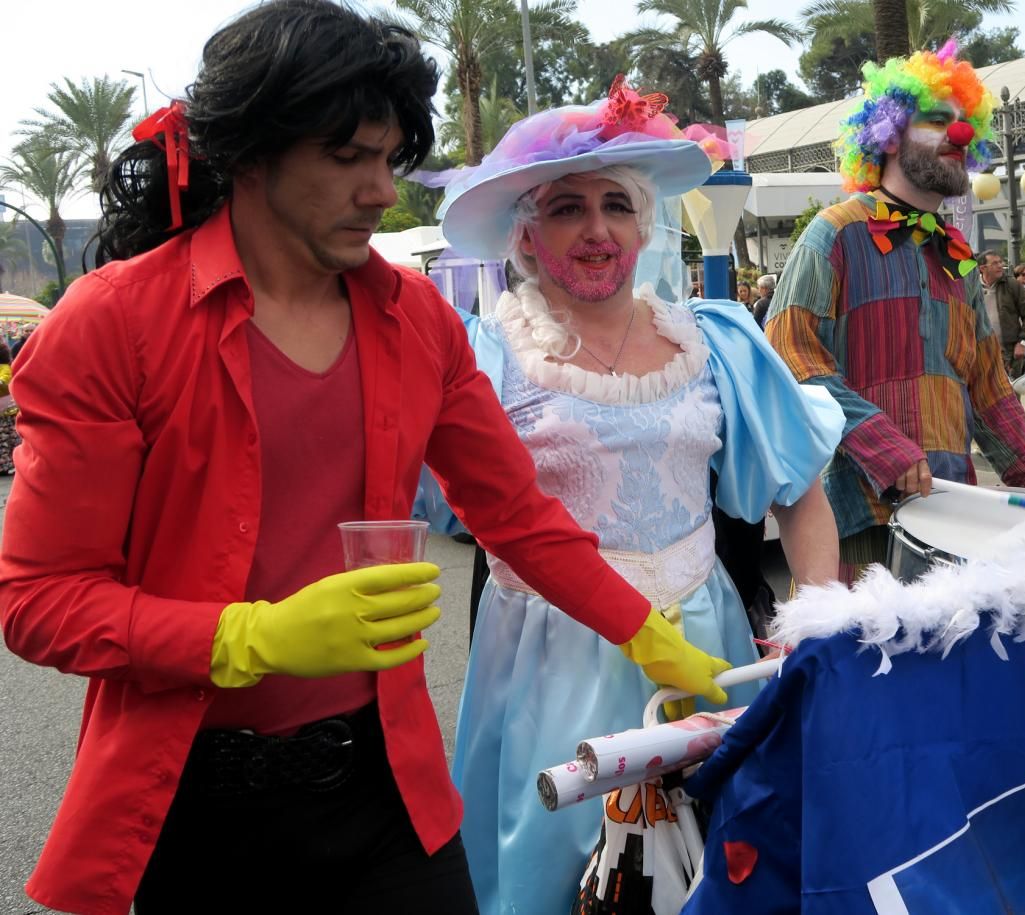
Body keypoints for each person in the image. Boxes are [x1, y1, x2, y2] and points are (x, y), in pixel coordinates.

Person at [0, 6, 730, 915]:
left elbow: (518, 514)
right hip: (193, 805)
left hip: (387, 791)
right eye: (350, 158)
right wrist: (247, 638)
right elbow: (38, 601)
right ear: (254, 155)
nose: (384, 191)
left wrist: (650, 634)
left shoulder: (417, 320)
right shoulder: (112, 324)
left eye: (390, 159)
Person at [428, 77, 845, 914]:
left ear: (644, 222)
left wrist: (817, 622)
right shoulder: (485, 355)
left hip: (708, 649)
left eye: (616, 205)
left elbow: (799, 489)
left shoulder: (716, 337)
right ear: (527, 234)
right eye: (566, 208)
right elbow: (437, 503)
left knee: (724, 864)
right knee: (561, 881)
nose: (596, 228)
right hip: (548, 664)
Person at [765, 39, 1025, 583]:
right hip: (851, 517)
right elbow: (787, 350)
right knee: (855, 665)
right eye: (937, 120)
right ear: (888, 135)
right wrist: (879, 441)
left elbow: (988, 385)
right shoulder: (835, 233)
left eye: (964, 124)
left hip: (947, 519)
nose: (958, 135)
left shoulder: (957, 258)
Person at [978, 250, 1025, 377]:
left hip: (1010, 352)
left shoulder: (1012, 285)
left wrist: (1022, 343)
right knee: (985, 395)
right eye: (994, 263)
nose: (1000, 266)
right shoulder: (972, 287)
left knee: (1012, 394)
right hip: (981, 351)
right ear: (982, 268)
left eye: (1000, 262)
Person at [0, 339, 17, 474]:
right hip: (5, 406)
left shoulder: (5, 367)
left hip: (5, 408)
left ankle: (8, 465)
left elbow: (4, 380)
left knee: (6, 436)